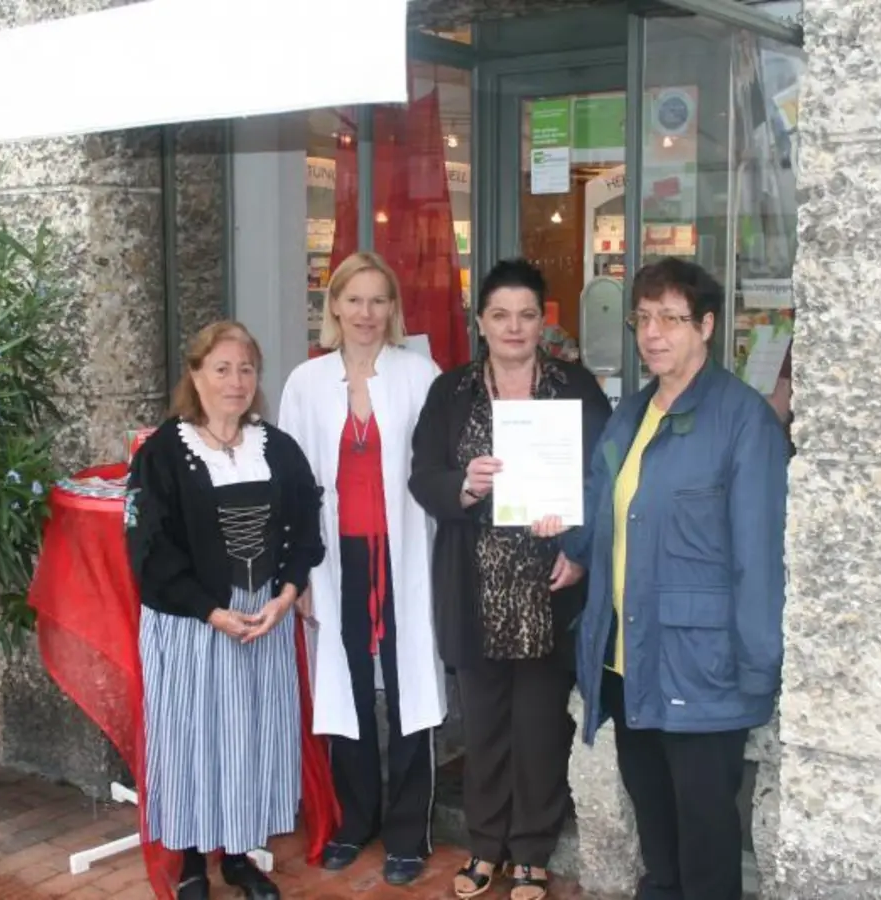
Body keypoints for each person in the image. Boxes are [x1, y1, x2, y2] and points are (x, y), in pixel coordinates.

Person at [560, 258, 789, 900]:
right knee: (656, 834)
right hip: (629, 664)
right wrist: (559, 529)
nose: (653, 333)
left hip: (704, 667)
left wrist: (757, 671)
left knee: (706, 841)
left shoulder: (743, 421)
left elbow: (757, 560)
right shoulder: (630, 415)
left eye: (671, 318)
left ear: (707, 325)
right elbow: (598, 514)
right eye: (643, 318)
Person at [409, 259, 612, 900]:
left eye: (527, 314)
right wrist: (463, 485)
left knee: (541, 727)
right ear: (481, 323)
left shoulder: (576, 389)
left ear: (542, 320)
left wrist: (579, 553)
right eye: (500, 315)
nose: (514, 326)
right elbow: (423, 476)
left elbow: (603, 484)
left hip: (551, 583)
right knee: (487, 727)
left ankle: (531, 853)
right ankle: (485, 847)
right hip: (475, 586)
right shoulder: (452, 392)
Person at [124, 321, 326, 900]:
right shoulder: (163, 453)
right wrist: (211, 611)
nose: (235, 382)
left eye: (245, 369)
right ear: (195, 375)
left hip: (261, 617)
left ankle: (239, 856)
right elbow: (149, 552)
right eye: (221, 368)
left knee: (249, 737)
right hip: (191, 620)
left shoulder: (277, 448)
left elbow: (307, 530)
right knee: (192, 736)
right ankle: (190, 860)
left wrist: (285, 596)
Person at [277, 251, 448, 886]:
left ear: (393, 310)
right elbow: (292, 487)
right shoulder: (305, 381)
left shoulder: (420, 374)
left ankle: (409, 832)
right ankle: (356, 821)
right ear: (334, 307)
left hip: (405, 556)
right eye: (354, 300)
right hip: (335, 560)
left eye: (379, 301)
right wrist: (295, 576)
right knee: (345, 692)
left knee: (409, 693)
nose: (366, 314)